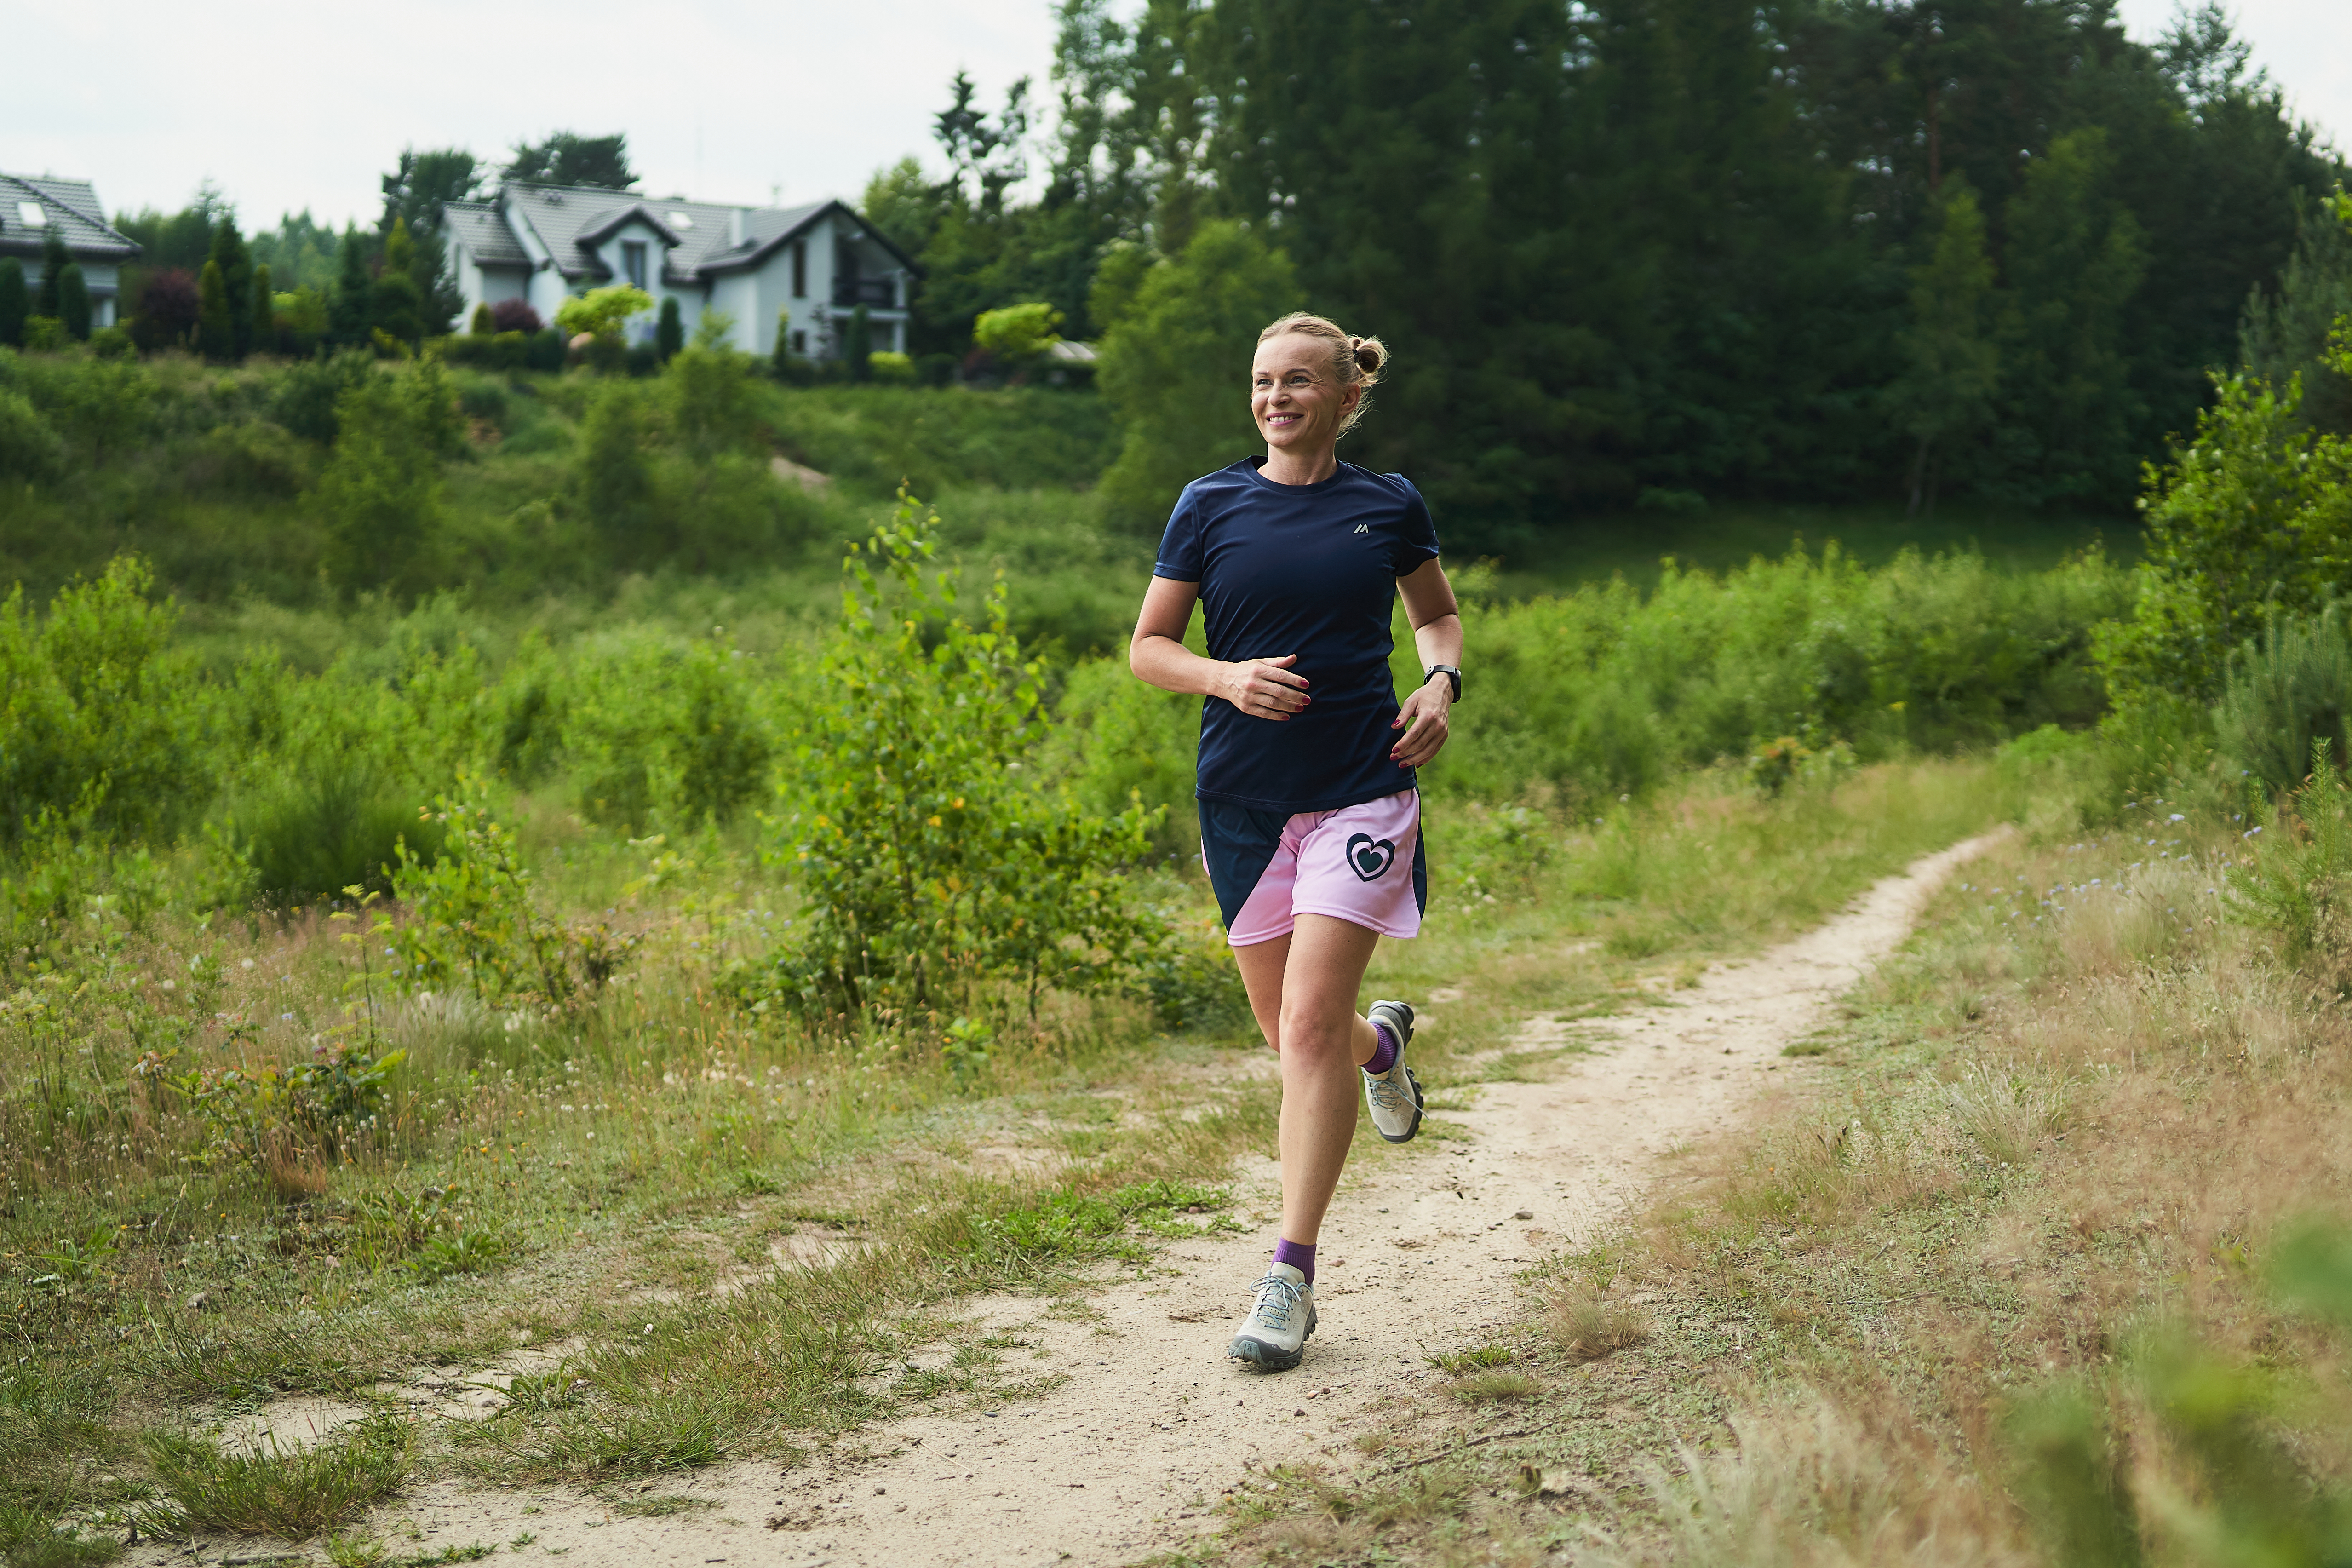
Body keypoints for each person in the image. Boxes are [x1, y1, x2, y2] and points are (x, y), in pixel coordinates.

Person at [1128, 311, 1464, 1372]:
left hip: (1365, 788)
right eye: (1264, 382)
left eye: (1299, 383)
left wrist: (1443, 681)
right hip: (1243, 800)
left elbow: (1437, 619)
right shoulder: (1208, 504)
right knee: (1293, 1037)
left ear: (1344, 396)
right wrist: (1225, 676)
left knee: (1309, 1025)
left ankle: (1289, 1274)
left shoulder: (1387, 503)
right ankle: (1387, 1048)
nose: (1277, 398)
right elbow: (1148, 648)